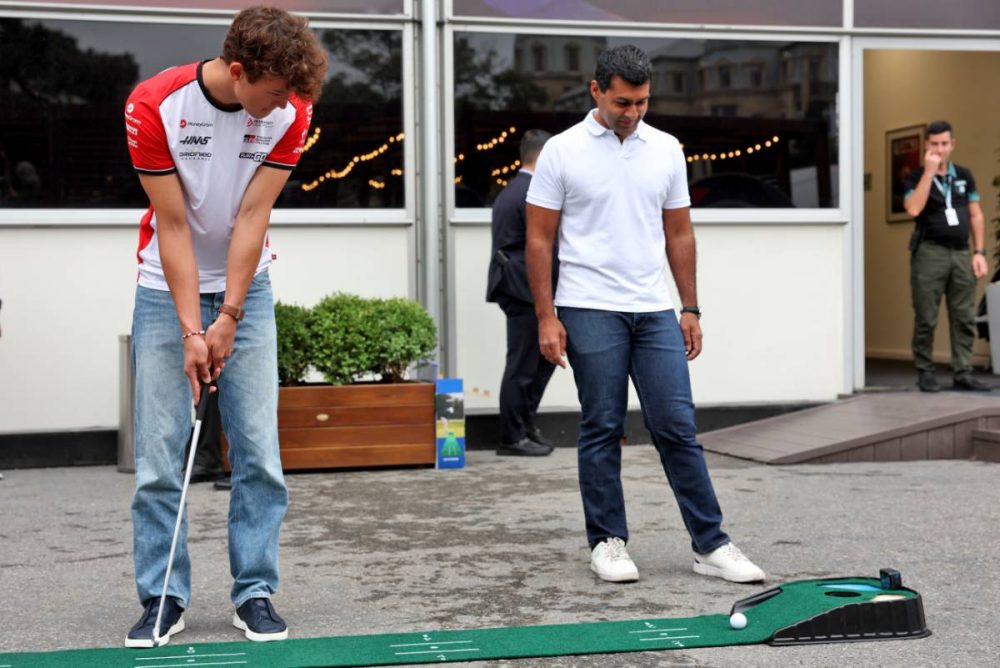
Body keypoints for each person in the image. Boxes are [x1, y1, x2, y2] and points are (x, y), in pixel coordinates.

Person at [123, 6, 326, 647]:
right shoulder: (154, 105)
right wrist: (193, 328)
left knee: (259, 451)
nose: (283, 105)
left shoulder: (292, 111)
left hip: (249, 287)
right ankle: (163, 595)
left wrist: (230, 313)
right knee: (160, 456)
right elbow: (173, 225)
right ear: (238, 71)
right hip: (165, 287)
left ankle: (254, 592)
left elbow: (252, 217)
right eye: (274, 92)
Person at [525, 45, 765, 585]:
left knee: (677, 426)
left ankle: (711, 543)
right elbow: (538, 240)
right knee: (602, 425)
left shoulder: (666, 149)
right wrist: (546, 316)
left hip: (654, 308)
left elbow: (679, 232)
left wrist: (690, 307)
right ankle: (607, 542)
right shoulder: (562, 151)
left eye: (642, 102)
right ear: (596, 91)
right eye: (622, 103)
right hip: (588, 305)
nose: (632, 113)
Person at [904, 121, 991, 393]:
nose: (939, 149)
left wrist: (979, 252)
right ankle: (925, 371)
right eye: (934, 144)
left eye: (944, 144)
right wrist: (929, 173)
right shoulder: (916, 176)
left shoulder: (964, 175)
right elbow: (913, 209)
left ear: (952, 144)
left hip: (962, 253)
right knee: (926, 315)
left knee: (963, 315)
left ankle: (963, 372)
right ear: (926, 145)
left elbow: (976, 215)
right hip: (930, 252)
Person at [486, 129, 558, 457]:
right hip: (524, 288)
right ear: (543, 157)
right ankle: (513, 435)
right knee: (524, 365)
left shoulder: (513, 190)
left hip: (516, 285)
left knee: (535, 363)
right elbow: (540, 245)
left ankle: (524, 428)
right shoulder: (531, 192)